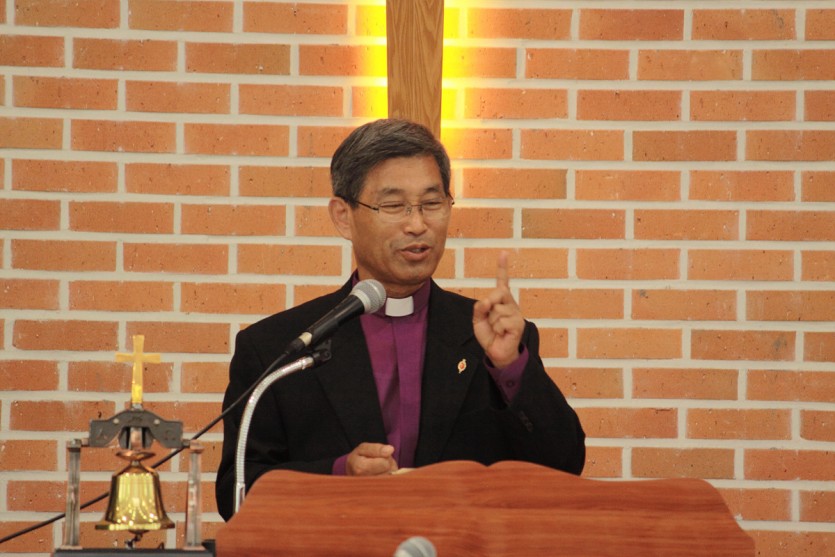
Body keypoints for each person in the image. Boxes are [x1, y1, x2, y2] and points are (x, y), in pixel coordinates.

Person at [215, 119, 585, 520]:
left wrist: (510, 366)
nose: (417, 224)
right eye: (394, 206)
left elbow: (564, 466)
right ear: (343, 216)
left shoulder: (493, 338)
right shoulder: (278, 347)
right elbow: (237, 494)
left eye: (432, 203)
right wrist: (339, 474)